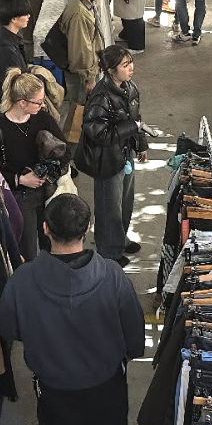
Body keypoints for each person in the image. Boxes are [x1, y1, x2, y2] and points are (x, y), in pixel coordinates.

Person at [0, 193, 142, 425]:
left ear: (45, 229)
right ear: (88, 228)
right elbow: (134, 334)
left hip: (54, 389)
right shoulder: (113, 275)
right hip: (106, 383)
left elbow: (8, 328)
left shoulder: (23, 279)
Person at [0, 70, 66, 261]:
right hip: (19, 198)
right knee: (27, 252)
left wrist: (49, 170)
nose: (43, 105)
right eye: (38, 102)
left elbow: (63, 149)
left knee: (54, 247)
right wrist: (19, 179)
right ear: (22, 102)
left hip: (48, 193)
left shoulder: (43, 118)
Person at [77, 46, 148, 264]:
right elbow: (99, 134)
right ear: (110, 70)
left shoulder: (130, 87)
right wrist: (132, 128)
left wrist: (141, 144)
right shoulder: (101, 97)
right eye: (125, 65)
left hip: (125, 154)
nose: (131, 68)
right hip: (106, 160)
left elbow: (137, 117)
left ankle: (120, 239)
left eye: (130, 62)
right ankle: (108, 251)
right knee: (109, 207)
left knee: (125, 202)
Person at [58, 0, 104, 111]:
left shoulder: (85, 2)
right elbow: (81, 51)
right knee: (81, 111)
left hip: (88, 71)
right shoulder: (78, 13)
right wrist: (89, 78)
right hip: (81, 77)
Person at [0, 0, 32, 112]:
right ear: (14, 19)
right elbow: (6, 87)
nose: (28, 16)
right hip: (9, 107)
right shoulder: (6, 50)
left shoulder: (5, 34)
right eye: (25, 14)